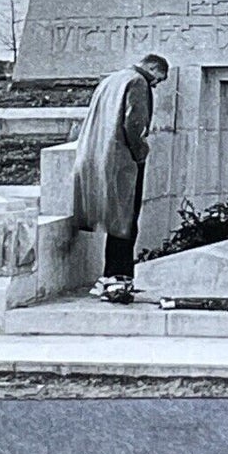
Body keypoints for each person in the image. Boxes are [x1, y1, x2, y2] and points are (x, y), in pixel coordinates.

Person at [71, 54, 170, 284]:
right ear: (153, 68)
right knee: (125, 222)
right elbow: (134, 124)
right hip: (121, 161)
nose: (156, 84)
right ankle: (119, 277)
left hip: (97, 157)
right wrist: (140, 153)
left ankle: (110, 276)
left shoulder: (111, 80)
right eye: (159, 78)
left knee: (114, 221)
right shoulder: (138, 81)